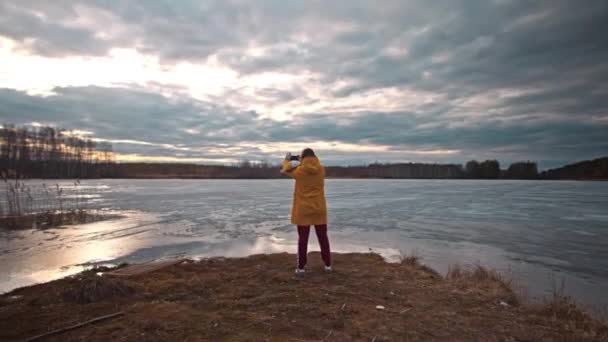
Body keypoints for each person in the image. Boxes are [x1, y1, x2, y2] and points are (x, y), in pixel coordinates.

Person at [281, 148, 331, 274]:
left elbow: (286, 170)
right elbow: (311, 169)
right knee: (323, 238)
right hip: (319, 209)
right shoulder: (321, 169)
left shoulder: (300, 171)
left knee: (303, 239)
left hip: (303, 210)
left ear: (302, 158)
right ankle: (328, 265)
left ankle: (301, 268)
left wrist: (287, 160)